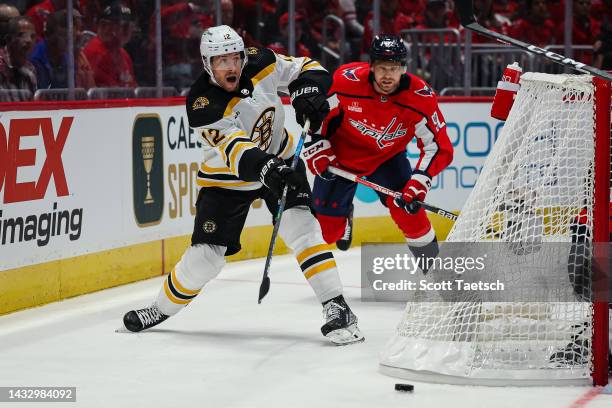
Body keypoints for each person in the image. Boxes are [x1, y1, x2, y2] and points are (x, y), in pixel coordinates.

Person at [122, 25, 364, 346]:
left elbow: (308, 68)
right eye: (222, 61)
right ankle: (160, 308)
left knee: (301, 228)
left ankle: (337, 306)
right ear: (207, 63)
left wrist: (306, 92)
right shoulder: (202, 103)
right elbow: (236, 150)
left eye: (234, 58)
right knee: (205, 258)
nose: (231, 66)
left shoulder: (259, 60)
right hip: (227, 177)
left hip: (281, 155)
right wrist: (266, 168)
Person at [302, 34, 453, 262]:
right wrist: (317, 145)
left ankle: (434, 272)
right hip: (340, 158)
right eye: (382, 68)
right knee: (331, 232)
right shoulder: (346, 81)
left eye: (394, 68)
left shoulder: (420, 97)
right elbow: (318, 118)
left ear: (404, 68)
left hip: (387, 160)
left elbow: (439, 147)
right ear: (371, 66)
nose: (387, 75)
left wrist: (419, 181)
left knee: (409, 212)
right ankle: (345, 213)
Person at [30, 9, 95, 89]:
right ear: (47, 35)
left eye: (72, 36)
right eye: (63, 35)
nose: (68, 41)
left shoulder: (69, 60)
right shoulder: (35, 60)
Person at [82, 1, 136, 87]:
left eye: (130, 26)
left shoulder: (123, 54)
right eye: (124, 26)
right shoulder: (97, 52)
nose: (128, 30)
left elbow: (133, 87)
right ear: (105, 26)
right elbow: (109, 92)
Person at [0, 15, 36, 100]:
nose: (29, 40)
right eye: (22, 35)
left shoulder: (30, 69)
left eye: (32, 36)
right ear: (9, 39)